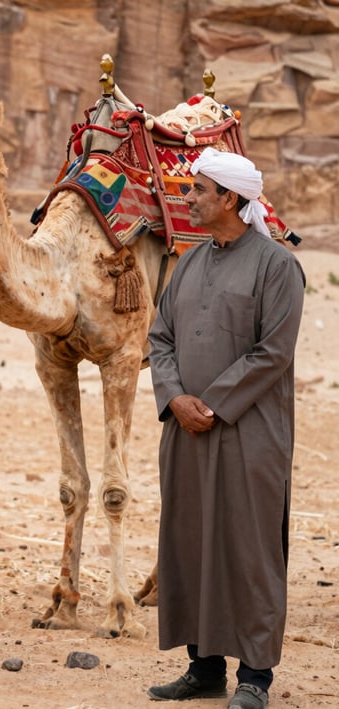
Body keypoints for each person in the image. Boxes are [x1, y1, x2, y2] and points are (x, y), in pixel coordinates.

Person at [146, 149, 305, 709]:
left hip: (248, 434)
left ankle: (255, 678)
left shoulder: (277, 265)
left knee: (248, 548)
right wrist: (175, 398)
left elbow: (273, 352)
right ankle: (205, 668)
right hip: (185, 432)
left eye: (198, 190)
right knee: (190, 542)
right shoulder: (188, 262)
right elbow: (159, 339)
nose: (186, 198)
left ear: (230, 198)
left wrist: (210, 404)